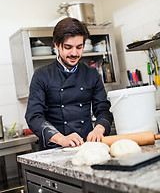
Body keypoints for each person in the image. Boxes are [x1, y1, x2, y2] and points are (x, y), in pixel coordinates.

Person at [25, 17, 113, 150]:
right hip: (54, 149)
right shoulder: (42, 75)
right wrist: (61, 138)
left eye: (79, 47)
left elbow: (103, 110)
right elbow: (34, 117)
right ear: (56, 45)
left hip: (85, 146)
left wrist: (99, 129)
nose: (74, 53)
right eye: (68, 47)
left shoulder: (91, 73)